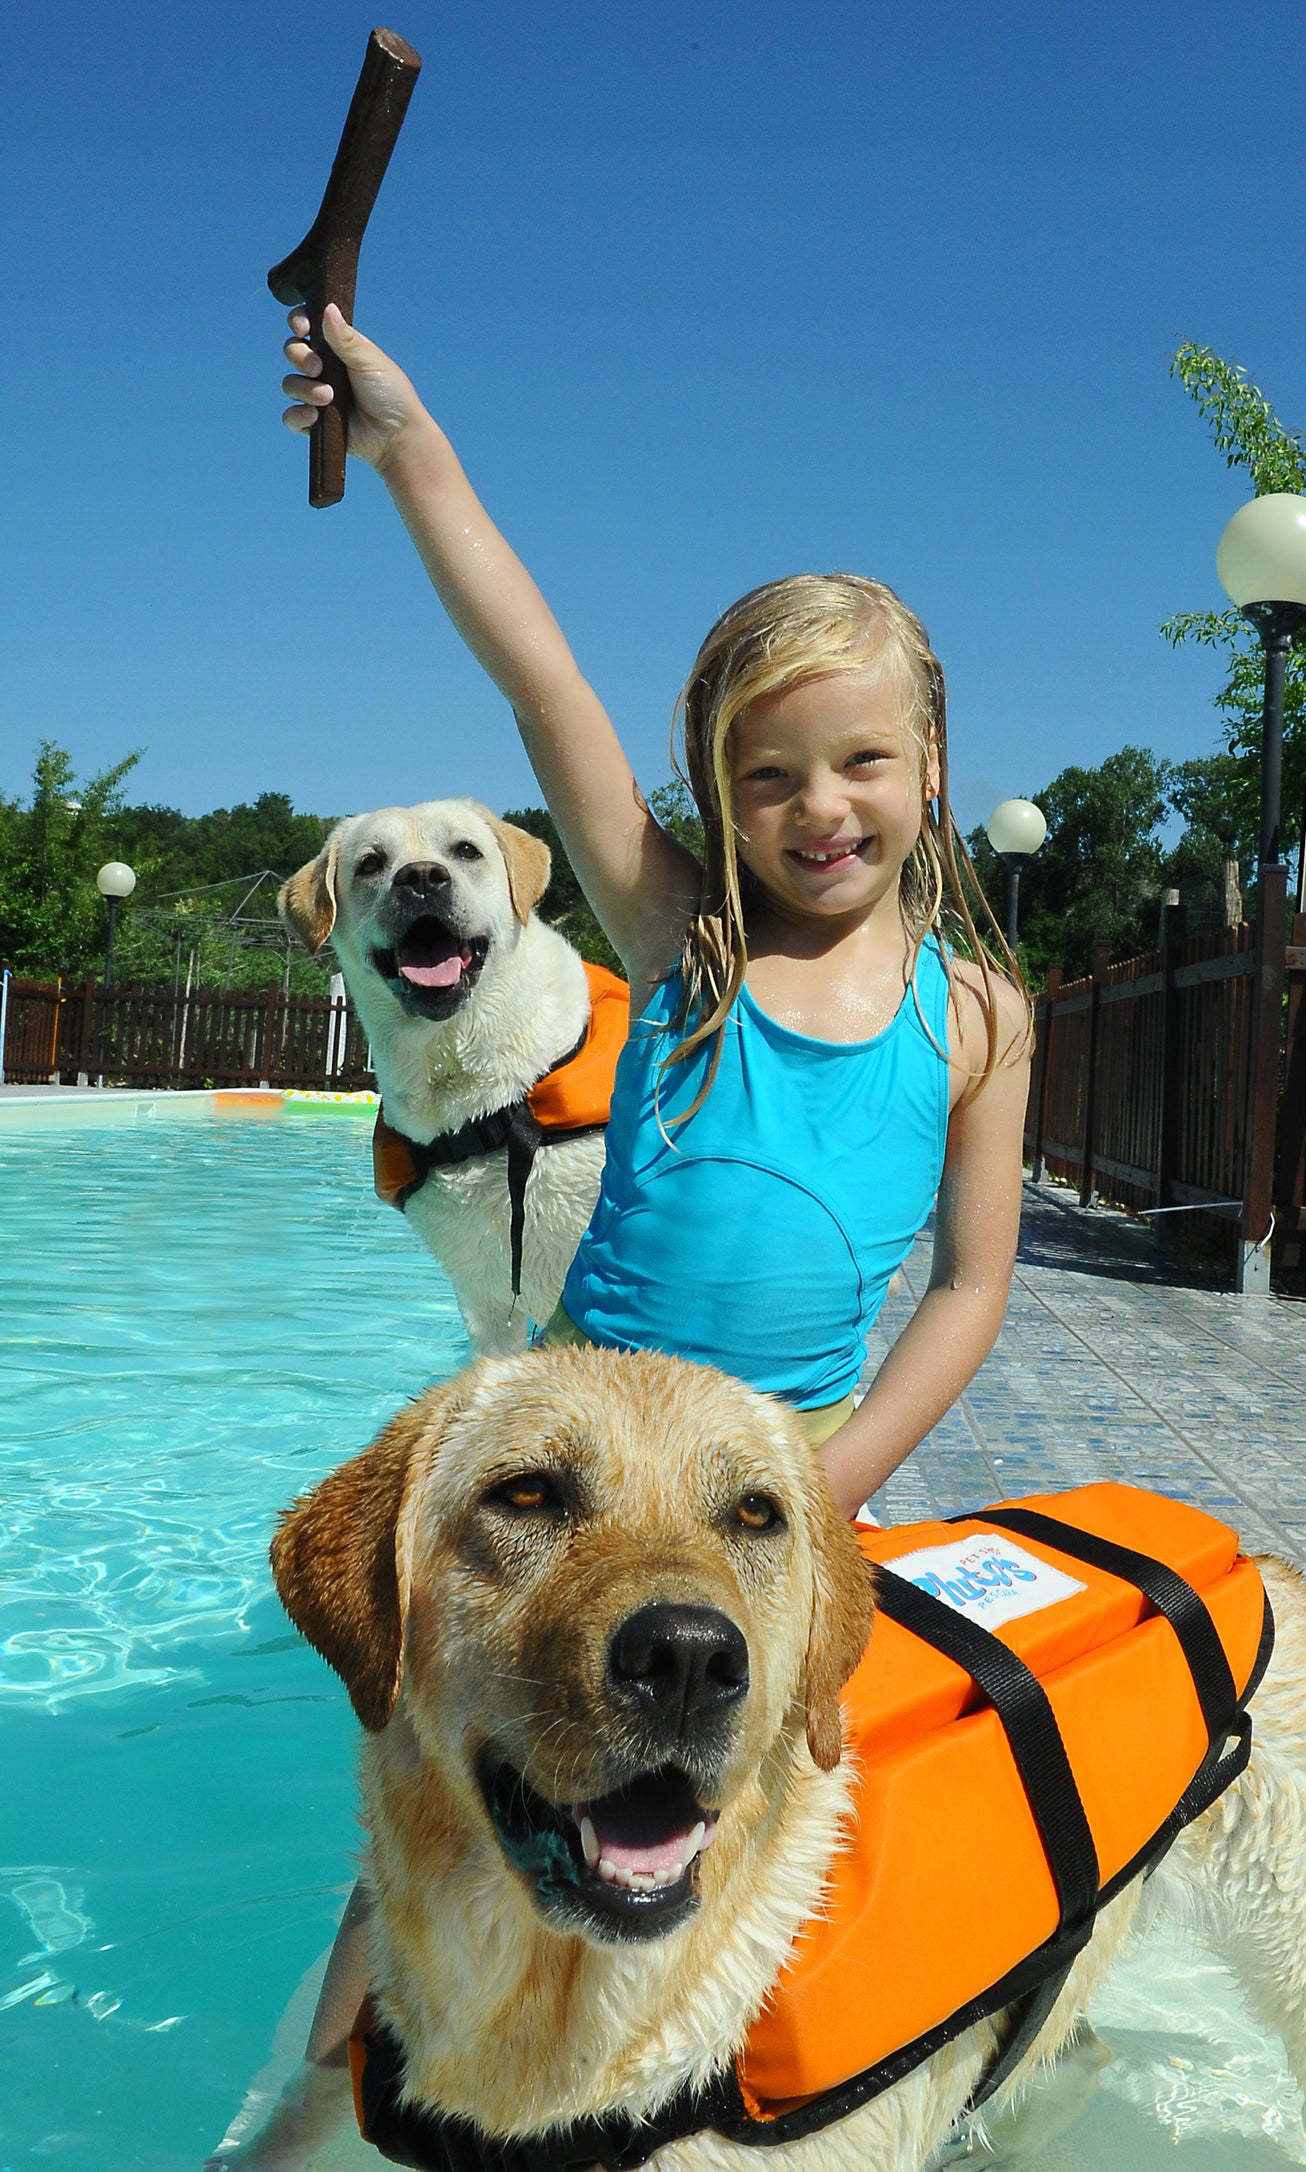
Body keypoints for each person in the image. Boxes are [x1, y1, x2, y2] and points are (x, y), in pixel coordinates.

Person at [203, 308, 1031, 2169]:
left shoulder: (976, 1019)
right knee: (425, 1833)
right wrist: (408, 439)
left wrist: (827, 1494)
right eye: (766, 776)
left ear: (927, 762)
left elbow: (973, 1285)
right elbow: (538, 679)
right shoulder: (688, 952)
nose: (820, 809)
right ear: (717, 798)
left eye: (862, 763)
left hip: (790, 1492)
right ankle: (300, 2116)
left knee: (798, 1831)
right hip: (585, 1476)